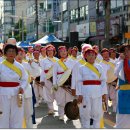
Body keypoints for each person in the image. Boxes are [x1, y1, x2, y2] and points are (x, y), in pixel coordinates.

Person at [77, 47, 107, 128]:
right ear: (85, 56)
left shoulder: (100, 67)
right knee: (85, 114)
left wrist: (104, 93)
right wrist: (79, 94)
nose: (91, 56)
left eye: (92, 55)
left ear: (95, 56)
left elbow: (103, 81)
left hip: (97, 93)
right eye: (89, 55)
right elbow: (79, 82)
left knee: (97, 113)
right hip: (85, 93)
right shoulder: (81, 68)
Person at [0, 44, 28, 128]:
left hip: (16, 92)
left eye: (13, 51)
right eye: (9, 51)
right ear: (5, 53)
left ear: (16, 53)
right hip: (2, 93)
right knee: (3, 115)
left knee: (17, 115)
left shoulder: (20, 67)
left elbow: (25, 79)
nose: (11, 53)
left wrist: (22, 88)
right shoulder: (0, 65)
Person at [53, 46, 74, 120]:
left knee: (69, 100)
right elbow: (54, 74)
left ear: (67, 52)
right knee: (60, 99)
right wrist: (55, 84)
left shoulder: (71, 61)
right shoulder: (57, 63)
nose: (63, 53)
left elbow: (74, 73)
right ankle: (61, 114)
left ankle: (69, 114)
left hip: (69, 83)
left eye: (64, 51)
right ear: (59, 53)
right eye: (61, 51)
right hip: (60, 83)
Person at [15, 47, 33, 128]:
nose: (19, 56)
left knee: (28, 113)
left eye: (21, 54)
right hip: (16, 92)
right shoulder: (11, 65)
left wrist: (32, 63)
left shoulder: (27, 64)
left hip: (27, 92)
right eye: (18, 54)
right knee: (17, 115)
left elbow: (37, 72)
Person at [114, 44, 130, 128]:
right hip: (124, 94)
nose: (126, 53)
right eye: (125, 51)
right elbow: (117, 73)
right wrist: (121, 60)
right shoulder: (121, 62)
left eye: (128, 51)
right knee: (122, 120)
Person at [40, 44, 58, 115]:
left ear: (54, 51)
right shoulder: (43, 61)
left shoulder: (57, 60)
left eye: (51, 50)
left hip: (56, 80)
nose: (50, 52)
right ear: (46, 52)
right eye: (48, 51)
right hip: (47, 79)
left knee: (57, 94)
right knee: (48, 94)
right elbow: (42, 71)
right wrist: (42, 80)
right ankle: (51, 109)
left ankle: (60, 109)